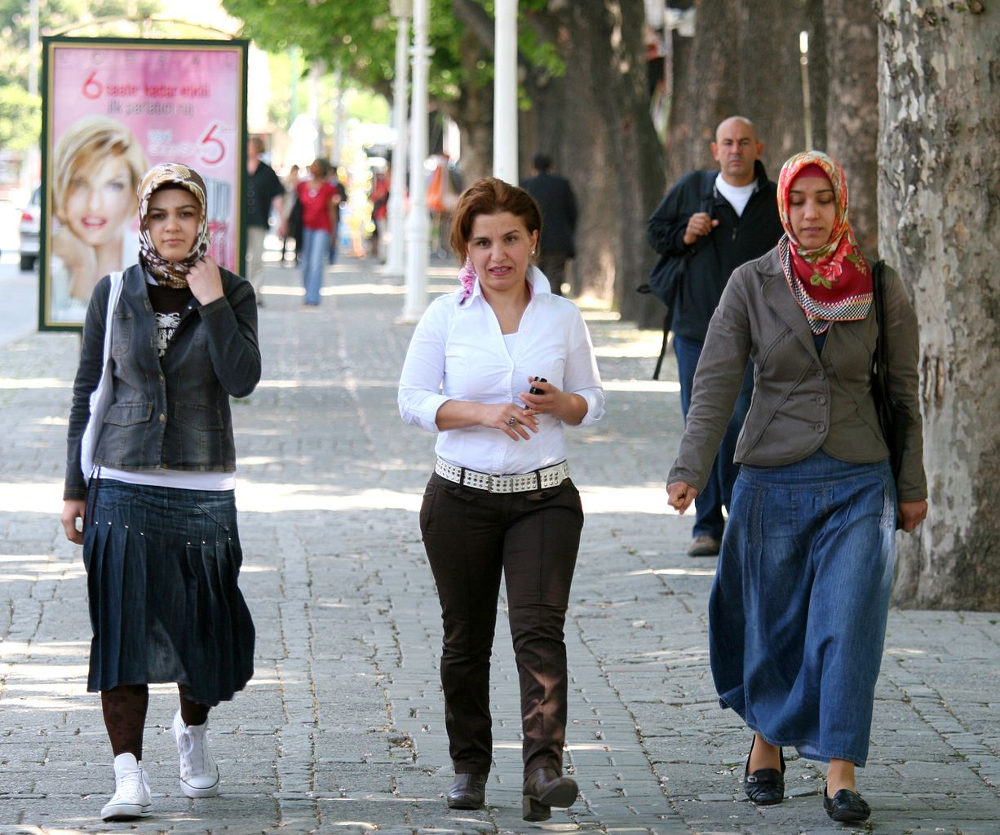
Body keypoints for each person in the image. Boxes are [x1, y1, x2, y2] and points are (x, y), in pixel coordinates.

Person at [666, 150, 928, 825]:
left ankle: (840, 770)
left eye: (824, 200)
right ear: (784, 207)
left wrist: (911, 483)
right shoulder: (751, 282)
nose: (811, 214)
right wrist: (690, 469)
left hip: (857, 477)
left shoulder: (878, 283)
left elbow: (903, 393)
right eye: (800, 201)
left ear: (842, 206)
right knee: (773, 620)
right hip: (770, 476)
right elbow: (715, 382)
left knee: (850, 622)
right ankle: (767, 740)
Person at [398, 177, 605, 821]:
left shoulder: (562, 317)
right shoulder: (445, 315)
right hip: (459, 500)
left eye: (511, 239)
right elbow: (413, 400)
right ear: (466, 249)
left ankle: (543, 768)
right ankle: (469, 765)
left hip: (544, 499)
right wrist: (485, 414)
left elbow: (592, 403)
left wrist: (561, 404)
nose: (497, 255)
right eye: (482, 242)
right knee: (466, 639)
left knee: (539, 634)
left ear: (533, 241)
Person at [59, 162, 260, 823]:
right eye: (159, 214)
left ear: (203, 221)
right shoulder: (113, 292)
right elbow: (89, 391)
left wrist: (213, 301)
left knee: (201, 630)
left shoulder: (233, 290)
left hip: (202, 488)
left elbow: (242, 379)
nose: (172, 226)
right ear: (143, 222)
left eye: (185, 213)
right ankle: (128, 773)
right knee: (120, 630)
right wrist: (73, 487)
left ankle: (192, 732)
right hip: (121, 479)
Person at [647, 116, 783, 557]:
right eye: (728, 143)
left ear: (758, 147)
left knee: (743, 421)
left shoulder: (777, 198)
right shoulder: (693, 189)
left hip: (756, 333)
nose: (736, 150)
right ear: (715, 150)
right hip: (696, 329)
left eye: (745, 142)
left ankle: (740, 516)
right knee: (702, 423)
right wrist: (684, 233)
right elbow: (656, 233)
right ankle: (706, 525)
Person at [50, 115, 149, 313]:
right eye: (79, 184)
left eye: (113, 186)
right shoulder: (50, 265)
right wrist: (83, 270)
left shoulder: (153, 264)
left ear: (133, 194)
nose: (94, 204)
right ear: (61, 186)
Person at [521, 153, 578, 296]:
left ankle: (537, 307)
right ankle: (553, 309)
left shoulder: (526, 185)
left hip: (532, 241)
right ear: (551, 167)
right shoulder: (562, 185)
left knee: (533, 277)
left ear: (533, 167)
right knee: (554, 277)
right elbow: (572, 212)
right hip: (558, 240)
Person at [245, 136, 285, 305]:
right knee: (242, 258)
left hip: (259, 220)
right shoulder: (238, 167)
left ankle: (254, 293)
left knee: (256, 258)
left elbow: (277, 196)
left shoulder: (267, 172)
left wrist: (282, 219)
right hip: (241, 222)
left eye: (252, 145)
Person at [296, 158, 339, 306]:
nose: (313, 168)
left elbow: (331, 211)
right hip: (305, 227)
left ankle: (313, 297)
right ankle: (307, 291)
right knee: (305, 262)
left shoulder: (328, 188)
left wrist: (334, 233)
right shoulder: (302, 186)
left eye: (316, 166)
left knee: (316, 261)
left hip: (322, 227)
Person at [326, 164, 348, 265]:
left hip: (335, 215)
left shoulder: (339, 186)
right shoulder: (325, 184)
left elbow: (344, 198)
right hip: (324, 216)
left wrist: (338, 199)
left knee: (334, 236)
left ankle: (332, 257)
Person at [281, 164, 303, 264]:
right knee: (285, 233)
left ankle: (295, 255)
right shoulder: (287, 181)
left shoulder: (299, 182)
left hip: (295, 211)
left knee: (295, 233)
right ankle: (283, 254)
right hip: (287, 209)